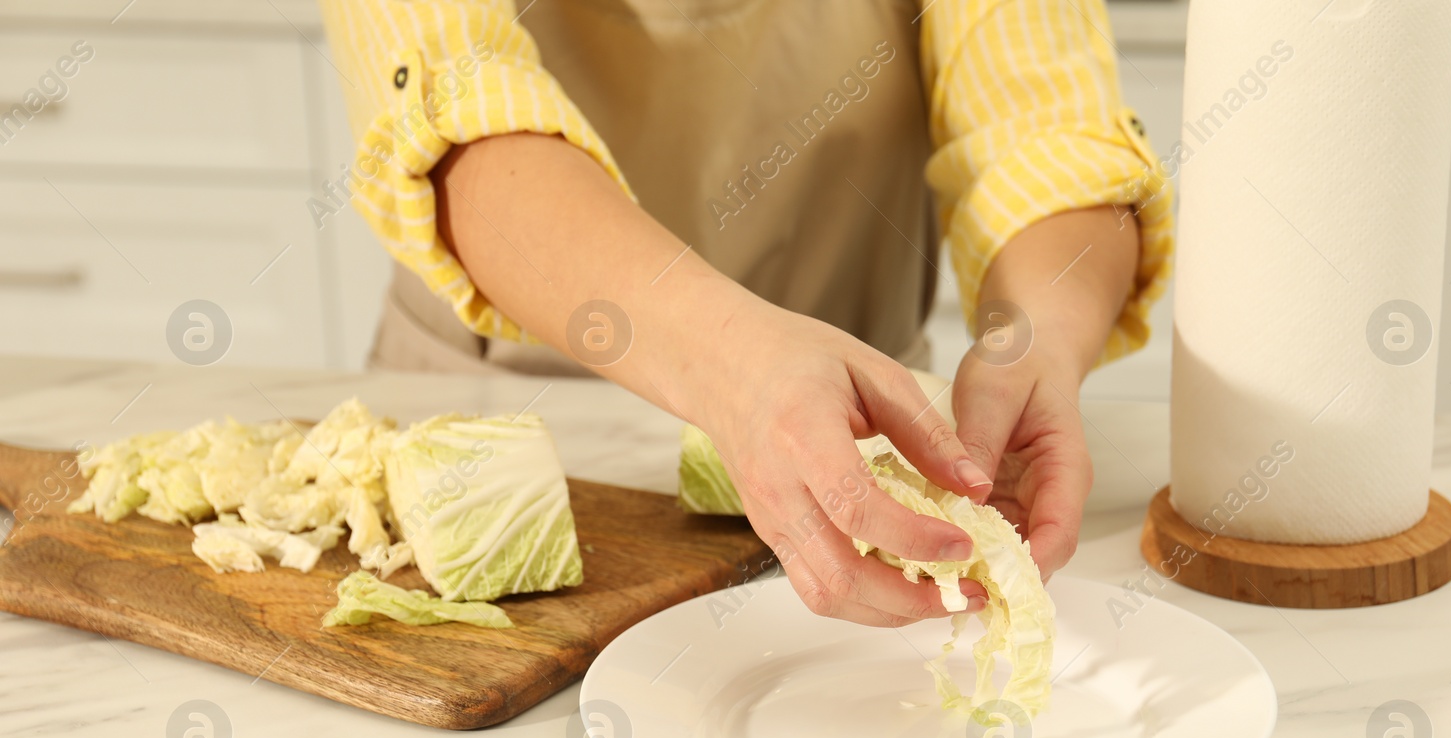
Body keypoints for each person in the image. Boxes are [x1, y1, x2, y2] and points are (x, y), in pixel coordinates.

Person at [318, 0, 1172, 627]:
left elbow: (1052, 132)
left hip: (861, 454)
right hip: (495, 427)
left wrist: (1038, 339)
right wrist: (730, 360)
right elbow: (455, 119)